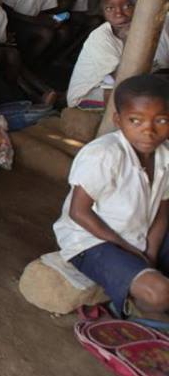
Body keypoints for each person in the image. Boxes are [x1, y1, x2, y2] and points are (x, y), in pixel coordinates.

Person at [54, 75, 169, 321]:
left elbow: (163, 208)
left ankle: (140, 283)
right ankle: (138, 312)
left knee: (154, 276)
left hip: (140, 233)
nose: (148, 131)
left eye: (160, 120)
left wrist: (150, 253)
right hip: (91, 241)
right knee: (159, 294)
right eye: (135, 120)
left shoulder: (165, 155)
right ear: (118, 120)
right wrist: (128, 249)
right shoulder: (103, 155)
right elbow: (79, 212)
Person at [67, 0, 140, 108]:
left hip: (131, 83)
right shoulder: (101, 39)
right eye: (110, 8)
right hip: (88, 95)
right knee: (136, 96)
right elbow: (117, 79)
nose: (119, 14)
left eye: (127, 6)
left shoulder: (160, 26)